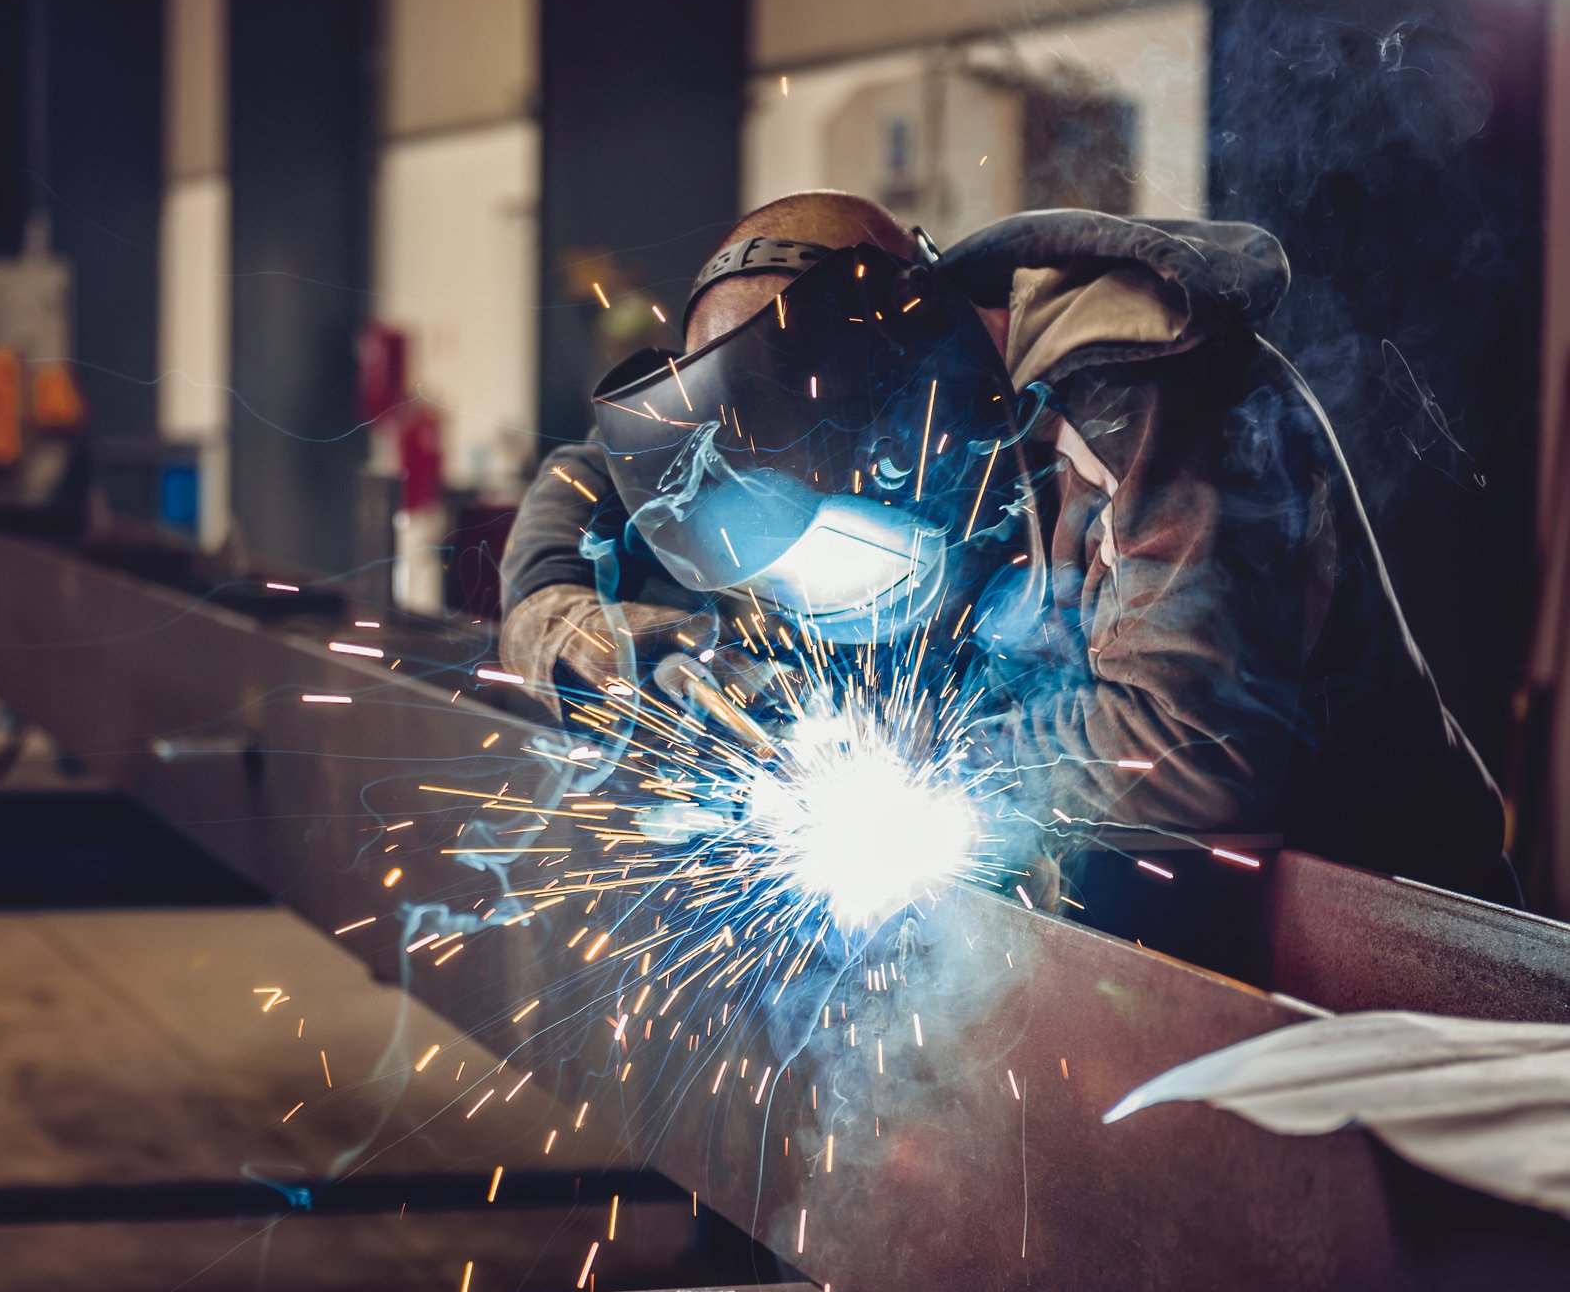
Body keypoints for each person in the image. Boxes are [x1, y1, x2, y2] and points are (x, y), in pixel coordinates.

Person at [498, 191, 1515, 908]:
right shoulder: (854, 405)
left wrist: (894, 766)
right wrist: (566, 617)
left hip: (1377, 940)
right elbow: (589, 477)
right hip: (1138, 919)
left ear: (902, 401)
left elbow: (1185, 746)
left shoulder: (1144, 390)